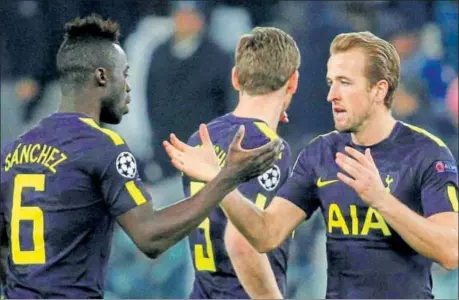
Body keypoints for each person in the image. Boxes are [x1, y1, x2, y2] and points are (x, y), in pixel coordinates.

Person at [0, 15, 282, 299]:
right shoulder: (101, 145)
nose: (129, 86)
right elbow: (151, 237)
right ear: (101, 77)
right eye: (124, 74)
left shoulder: (14, 150)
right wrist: (226, 178)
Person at [164, 31, 459, 299]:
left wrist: (382, 201)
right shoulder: (320, 153)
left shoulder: (426, 153)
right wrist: (222, 181)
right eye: (331, 83)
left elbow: (450, 251)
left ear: (379, 90)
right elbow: (265, 234)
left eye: (345, 83)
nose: (331, 95)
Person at [164, 27, 300, 299]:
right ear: (293, 82)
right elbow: (242, 242)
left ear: (236, 79)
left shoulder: (201, 138)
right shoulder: (268, 148)